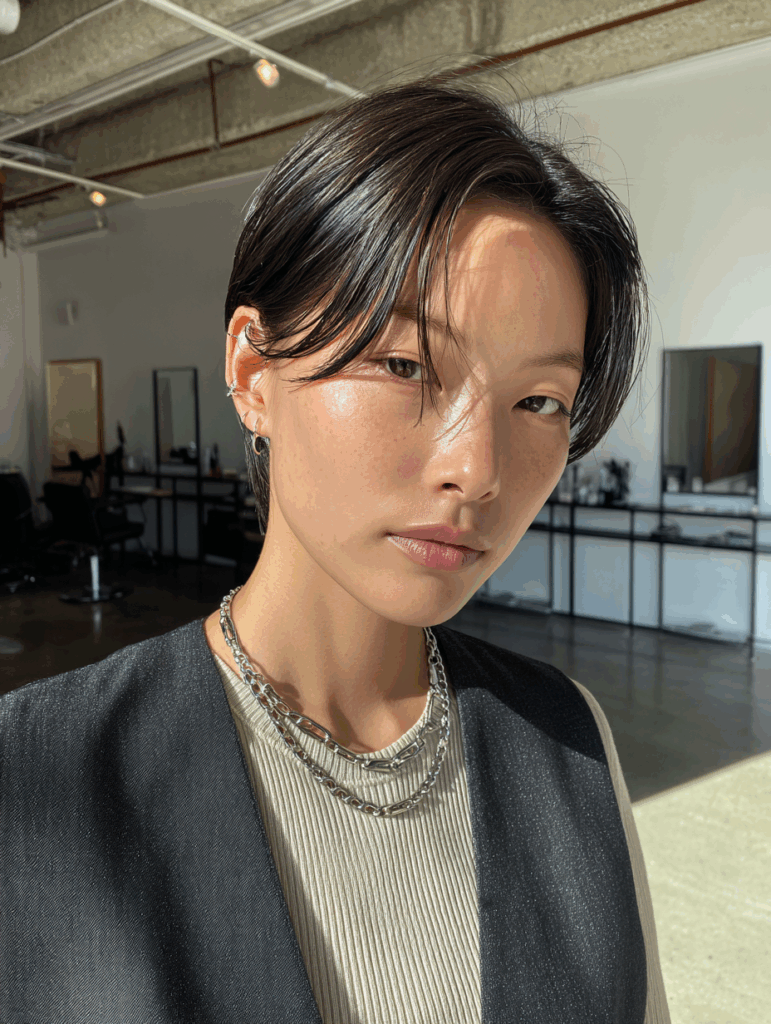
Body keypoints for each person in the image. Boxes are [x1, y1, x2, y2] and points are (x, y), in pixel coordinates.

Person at [0, 75, 669, 1023]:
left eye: (539, 401)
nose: (477, 469)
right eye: (404, 364)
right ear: (252, 372)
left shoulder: (565, 743)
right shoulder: (39, 771)